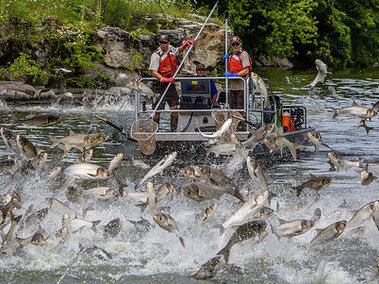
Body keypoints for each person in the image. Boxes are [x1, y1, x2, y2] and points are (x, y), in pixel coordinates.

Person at [149, 34, 196, 131]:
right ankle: (155, 131)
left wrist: (186, 45)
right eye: (161, 43)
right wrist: (162, 78)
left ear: (168, 43)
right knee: (157, 110)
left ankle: (173, 131)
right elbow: (153, 72)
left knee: (174, 108)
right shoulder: (156, 55)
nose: (163, 45)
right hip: (159, 84)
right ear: (159, 43)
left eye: (165, 43)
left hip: (170, 84)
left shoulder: (171, 49)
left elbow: (178, 50)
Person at [223, 36, 252, 119]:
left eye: (237, 44)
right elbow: (230, 68)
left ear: (240, 44)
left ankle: (243, 126)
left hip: (242, 87)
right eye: (233, 44)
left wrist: (235, 75)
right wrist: (226, 62)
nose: (235, 46)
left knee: (242, 109)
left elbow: (246, 70)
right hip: (233, 87)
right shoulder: (231, 56)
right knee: (232, 109)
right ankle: (233, 126)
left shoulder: (243, 54)